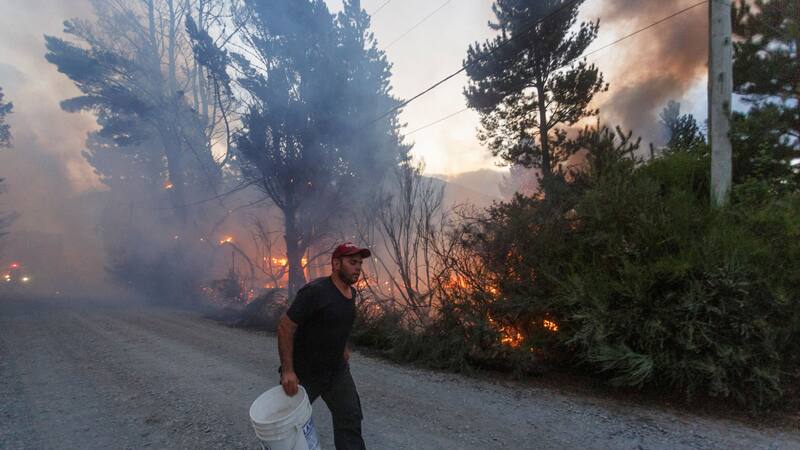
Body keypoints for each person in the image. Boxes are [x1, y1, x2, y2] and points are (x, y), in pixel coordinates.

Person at [277, 242, 369, 450]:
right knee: (288, 426)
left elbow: (339, 321)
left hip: (336, 372)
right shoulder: (315, 292)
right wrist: (288, 371)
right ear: (336, 264)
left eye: (360, 263)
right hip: (305, 374)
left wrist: (343, 346)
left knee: (350, 419)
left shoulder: (351, 293)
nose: (358, 268)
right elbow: (285, 327)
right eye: (352, 262)